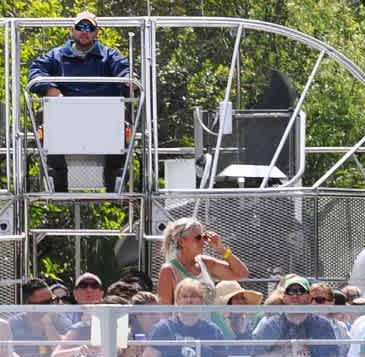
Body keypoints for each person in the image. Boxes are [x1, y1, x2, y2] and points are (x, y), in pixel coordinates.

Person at [28, 10, 131, 192]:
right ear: (72, 30)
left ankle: (114, 179)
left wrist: (129, 78)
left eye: (89, 27)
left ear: (97, 32)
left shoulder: (109, 55)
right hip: (64, 113)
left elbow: (124, 69)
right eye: (80, 27)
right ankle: (57, 178)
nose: (85, 31)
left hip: (104, 115)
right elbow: (36, 71)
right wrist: (51, 89)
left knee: (124, 116)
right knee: (43, 115)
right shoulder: (56, 55)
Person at [250, 275, 336, 357]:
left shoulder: (322, 326)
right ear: (284, 297)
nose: (295, 295)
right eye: (290, 291)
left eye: (301, 291)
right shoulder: (270, 326)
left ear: (309, 297)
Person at [138, 279, 227, 357]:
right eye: (184, 296)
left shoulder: (213, 331)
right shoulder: (163, 329)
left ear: (202, 301)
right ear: (177, 301)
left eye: (194, 296)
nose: (189, 300)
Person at [156, 217, 248, 305]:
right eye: (198, 238)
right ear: (181, 242)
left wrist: (222, 250)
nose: (203, 242)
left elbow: (242, 273)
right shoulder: (169, 270)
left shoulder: (205, 263)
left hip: (211, 321)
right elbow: (164, 312)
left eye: (204, 237)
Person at [8, 278, 74, 357]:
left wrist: (48, 324)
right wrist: (12, 355)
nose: (50, 306)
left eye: (52, 301)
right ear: (27, 305)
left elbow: (65, 352)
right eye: (44, 303)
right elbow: (1, 349)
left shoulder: (60, 320)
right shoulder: (13, 324)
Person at [213, 280, 264, 354]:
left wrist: (243, 329)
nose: (241, 302)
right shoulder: (217, 324)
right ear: (227, 303)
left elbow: (253, 350)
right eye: (236, 298)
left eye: (242, 298)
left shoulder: (248, 321)